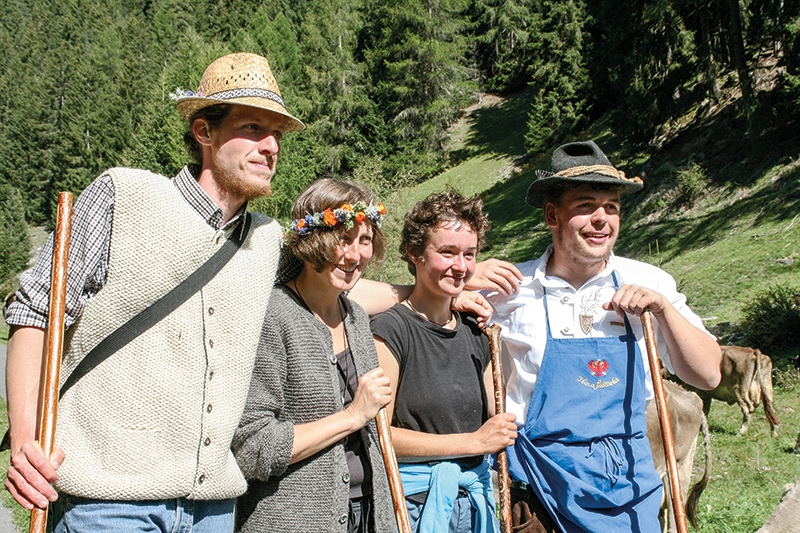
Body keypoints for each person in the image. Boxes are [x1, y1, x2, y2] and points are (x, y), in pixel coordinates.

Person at [4, 52, 305, 531]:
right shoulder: (124, 194)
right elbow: (36, 312)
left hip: (212, 508)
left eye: (278, 134)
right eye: (251, 127)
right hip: (106, 501)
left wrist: (440, 291)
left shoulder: (267, 238)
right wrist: (25, 438)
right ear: (204, 133)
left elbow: (332, 285)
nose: (270, 146)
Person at [483, 140, 722, 533]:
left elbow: (709, 374)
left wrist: (663, 309)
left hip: (627, 485)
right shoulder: (509, 288)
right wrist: (458, 286)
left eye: (611, 207)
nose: (601, 219)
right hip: (538, 489)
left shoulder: (648, 282)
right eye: (585, 205)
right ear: (552, 215)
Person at [232, 179, 395, 533]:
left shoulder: (356, 318)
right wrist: (352, 416)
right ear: (312, 241)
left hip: (368, 515)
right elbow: (251, 447)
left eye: (364, 240)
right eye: (342, 238)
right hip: (294, 521)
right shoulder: (273, 316)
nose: (355, 255)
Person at [371, 191, 518, 533]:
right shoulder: (390, 329)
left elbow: (497, 418)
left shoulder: (476, 332)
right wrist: (472, 443)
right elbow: (381, 436)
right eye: (447, 252)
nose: (461, 266)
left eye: (470, 254)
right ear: (414, 252)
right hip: (415, 505)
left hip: (476, 500)